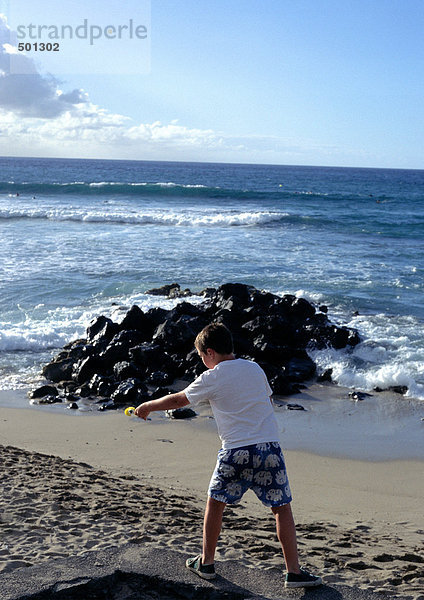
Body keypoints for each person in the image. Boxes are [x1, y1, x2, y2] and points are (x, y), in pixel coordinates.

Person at [135, 322, 322, 588]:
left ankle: (207, 563)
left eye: (201, 357)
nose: (203, 362)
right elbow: (266, 402)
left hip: (236, 451)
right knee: (281, 509)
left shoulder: (213, 376)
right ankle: (294, 572)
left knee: (215, 504)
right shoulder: (255, 369)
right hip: (269, 448)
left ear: (210, 352)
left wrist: (146, 407)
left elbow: (178, 400)